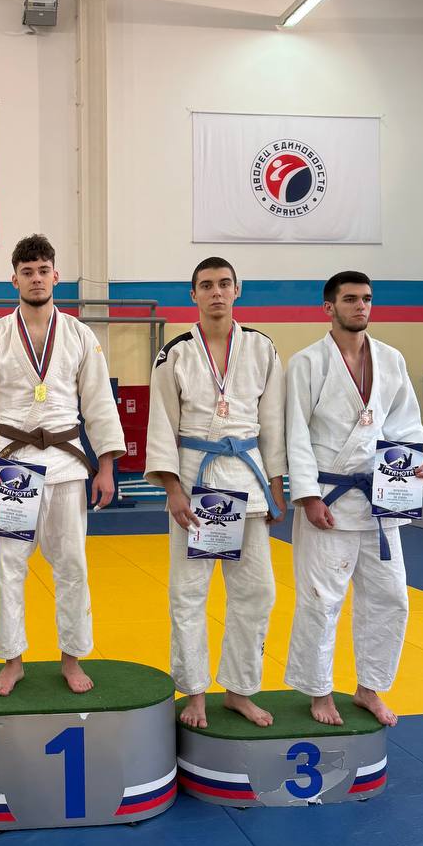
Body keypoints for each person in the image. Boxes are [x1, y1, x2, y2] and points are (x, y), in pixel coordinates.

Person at [0, 234, 125, 695]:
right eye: (26, 272)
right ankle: (12, 660)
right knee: (7, 566)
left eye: (42, 270)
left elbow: (99, 403)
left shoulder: (79, 335)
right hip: (12, 467)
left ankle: (72, 658)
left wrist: (107, 465)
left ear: (55, 276)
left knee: (72, 565)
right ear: (14, 279)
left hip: (67, 464)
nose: (35, 279)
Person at [284, 271, 423, 727]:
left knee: (390, 597)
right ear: (328, 307)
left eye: (366, 299)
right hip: (328, 499)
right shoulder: (307, 363)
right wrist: (307, 496)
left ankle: (370, 688)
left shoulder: (390, 359)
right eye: (350, 299)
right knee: (321, 600)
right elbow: (295, 434)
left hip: (382, 498)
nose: (360, 306)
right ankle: (319, 691)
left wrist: (420, 460)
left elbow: (405, 423)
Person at [145, 258, 287, 729]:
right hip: (196, 481)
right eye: (206, 286)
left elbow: (273, 421)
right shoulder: (175, 353)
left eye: (225, 284)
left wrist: (276, 485)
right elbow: (161, 423)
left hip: (248, 477)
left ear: (237, 290)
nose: (217, 293)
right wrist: (172, 488)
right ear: (194, 295)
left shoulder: (262, 348)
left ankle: (240, 690)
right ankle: (195, 693)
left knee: (258, 591)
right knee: (189, 593)